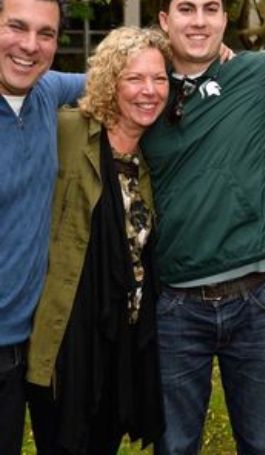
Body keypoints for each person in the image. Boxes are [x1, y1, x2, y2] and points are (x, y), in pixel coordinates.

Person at [141, 0, 265, 455]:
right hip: (175, 305)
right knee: (174, 444)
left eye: (211, 9)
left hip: (259, 300)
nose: (199, 21)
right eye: (186, 9)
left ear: (225, 19)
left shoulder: (258, 73)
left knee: (264, 445)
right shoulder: (143, 89)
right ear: (164, 19)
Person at [24, 27, 170, 454]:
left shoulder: (148, 158)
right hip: (69, 340)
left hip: (122, 340)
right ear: (109, 82)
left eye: (159, 79)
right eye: (135, 78)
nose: (149, 91)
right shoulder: (66, 131)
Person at [0, 0, 84, 455]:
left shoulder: (47, 90)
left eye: (46, 33)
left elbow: (124, 76)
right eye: (17, 27)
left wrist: (223, 63)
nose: (29, 46)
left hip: (25, 349)